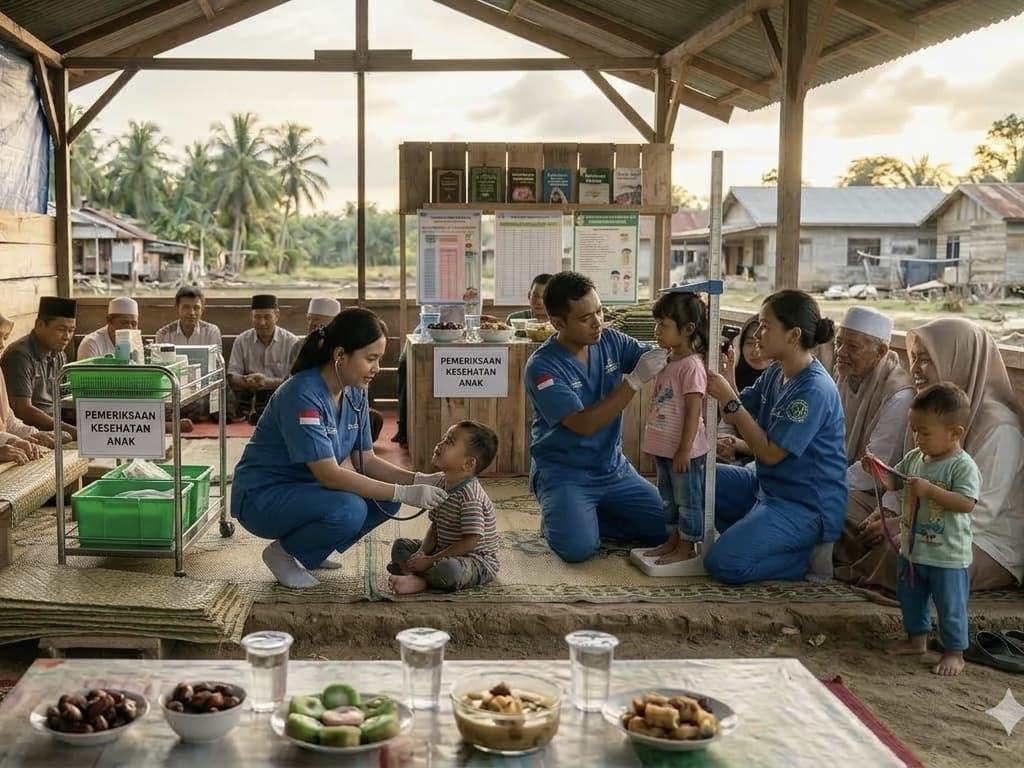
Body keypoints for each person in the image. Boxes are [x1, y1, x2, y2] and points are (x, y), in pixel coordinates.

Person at [230, 308, 448, 589]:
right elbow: (330, 476)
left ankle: (310, 549)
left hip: (306, 492)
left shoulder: (354, 389)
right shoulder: (302, 395)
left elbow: (365, 459)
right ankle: (282, 554)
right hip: (264, 497)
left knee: (388, 500)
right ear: (340, 355)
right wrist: (406, 491)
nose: (377, 369)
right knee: (350, 509)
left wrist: (418, 479)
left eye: (379, 360)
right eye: (370, 359)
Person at [835, 317, 1024, 592]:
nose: (915, 369)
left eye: (926, 359)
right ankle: (870, 562)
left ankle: (873, 568)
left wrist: (904, 525)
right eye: (913, 358)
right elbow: (909, 472)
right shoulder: (930, 410)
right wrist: (887, 508)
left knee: (907, 553)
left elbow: (977, 513)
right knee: (834, 504)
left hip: (982, 539)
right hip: (921, 515)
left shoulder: (999, 428)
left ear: (957, 359)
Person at [704, 289, 847, 584]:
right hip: (767, 487)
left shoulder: (813, 390)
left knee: (722, 564)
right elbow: (738, 409)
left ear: (793, 335)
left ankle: (803, 562)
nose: (757, 334)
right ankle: (755, 534)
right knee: (700, 476)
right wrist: (724, 378)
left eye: (766, 326)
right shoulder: (776, 372)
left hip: (803, 504)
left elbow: (770, 452)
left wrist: (730, 401)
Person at [525, 271, 669, 563]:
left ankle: (584, 516)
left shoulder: (611, 340)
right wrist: (633, 382)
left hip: (612, 467)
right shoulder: (542, 367)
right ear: (558, 322)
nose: (597, 322)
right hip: (565, 473)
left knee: (667, 529)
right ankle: (566, 520)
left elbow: (656, 356)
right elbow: (583, 424)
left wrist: (688, 346)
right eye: (585, 318)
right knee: (578, 550)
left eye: (600, 311)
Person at [863, 383, 980, 677]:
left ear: (955, 433)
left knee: (950, 605)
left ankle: (954, 652)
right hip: (914, 551)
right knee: (911, 599)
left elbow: (966, 503)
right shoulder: (916, 457)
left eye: (925, 432)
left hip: (947, 556)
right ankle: (917, 640)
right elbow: (894, 482)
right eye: (915, 430)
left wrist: (929, 491)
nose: (918, 437)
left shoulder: (961, 467)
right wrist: (877, 470)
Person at [830, 306, 915, 577]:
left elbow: (874, 470)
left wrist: (820, 480)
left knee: (816, 503)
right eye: (839, 343)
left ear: (880, 352)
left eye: (852, 346)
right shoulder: (843, 375)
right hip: (846, 479)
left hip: (873, 490)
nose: (841, 352)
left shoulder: (899, 394)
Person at [388, 420, 500, 595]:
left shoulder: (470, 497)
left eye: (450, 442)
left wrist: (431, 560)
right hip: (443, 550)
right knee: (400, 546)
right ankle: (418, 574)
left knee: (450, 571)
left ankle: (420, 580)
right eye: (444, 438)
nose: (440, 443)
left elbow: (471, 541)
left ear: (468, 464)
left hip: (474, 560)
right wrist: (422, 552)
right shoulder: (441, 482)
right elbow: (436, 526)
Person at [641, 291, 710, 565]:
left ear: (688, 329)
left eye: (664, 325)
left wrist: (684, 449)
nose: (657, 330)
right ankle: (671, 541)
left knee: (688, 500)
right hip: (664, 447)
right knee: (667, 499)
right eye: (656, 323)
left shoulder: (692, 366)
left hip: (685, 452)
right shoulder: (666, 361)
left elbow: (694, 411)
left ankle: (687, 546)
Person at [0, 296, 78, 440]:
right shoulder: (19, 355)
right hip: (37, 430)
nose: (67, 336)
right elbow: (22, 409)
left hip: (56, 427)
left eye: (71, 330)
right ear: (40, 325)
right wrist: (75, 433)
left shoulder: (60, 354)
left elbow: (66, 398)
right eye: (61, 329)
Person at [228, 294, 299, 424]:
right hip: (247, 393)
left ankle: (258, 413)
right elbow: (232, 375)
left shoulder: (291, 342)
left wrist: (267, 382)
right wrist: (246, 380)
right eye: (257, 317)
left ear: (276, 316)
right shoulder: (241, 340)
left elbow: (294, 379)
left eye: (267, 317)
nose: (262, 322)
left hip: (279, 393)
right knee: (226, 396)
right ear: (252, 317)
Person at [0, 312, 54, 464]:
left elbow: (8, 421)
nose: (2, 345)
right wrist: (11, 441)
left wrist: (34, 435)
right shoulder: (19, 355)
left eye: (5, 337)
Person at [716, 315, 771, 464]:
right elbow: (731, 414)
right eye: (749, 343)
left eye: (760, 343)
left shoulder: (776, 378)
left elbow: (772, 449)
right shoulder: (734, 373)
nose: (755, 351)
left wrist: (733, 443)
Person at [154, 286, 222, 346]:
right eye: (186, 307)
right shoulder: (164, 334)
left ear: (202, 309)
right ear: (177, 309)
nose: (191, 313)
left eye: (196, 307)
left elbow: (216, 360)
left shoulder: (212, 332)